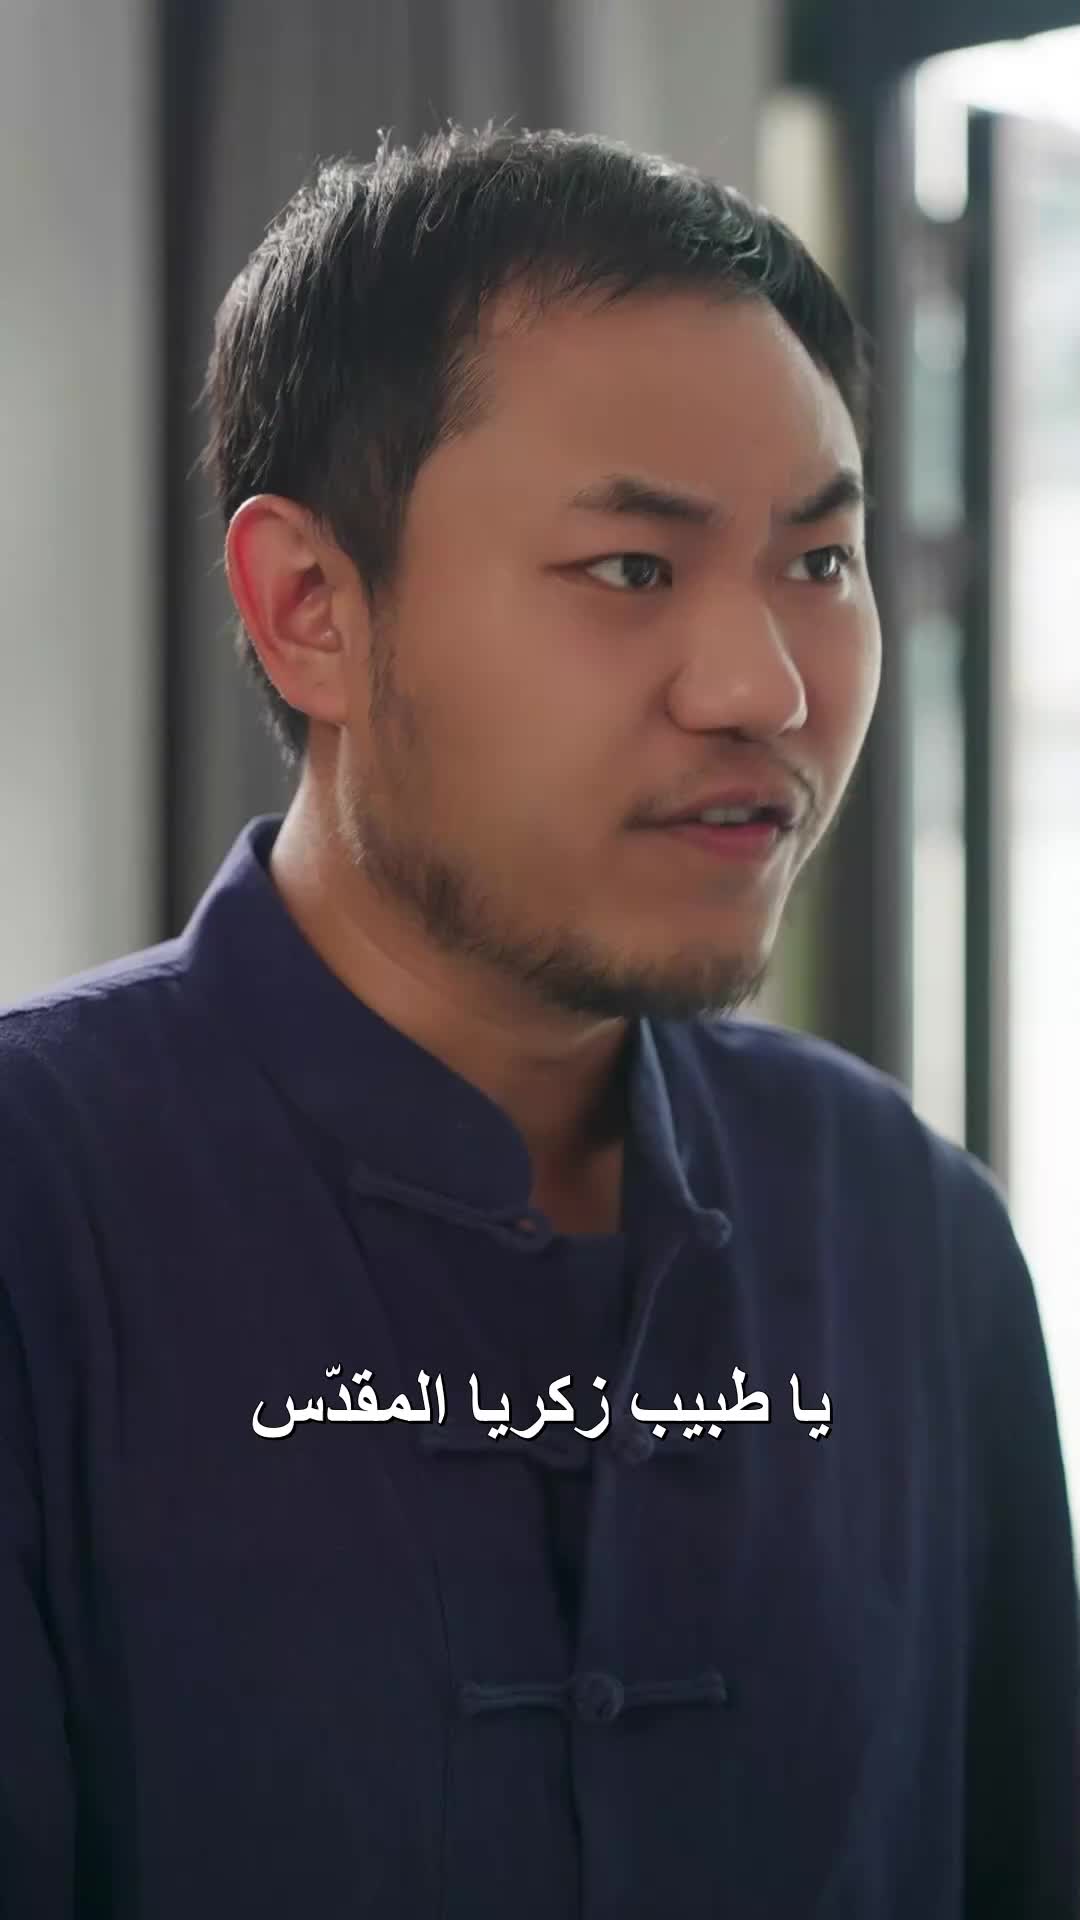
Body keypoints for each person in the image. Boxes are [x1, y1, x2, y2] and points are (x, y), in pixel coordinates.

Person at [1, 123, 1076, 1920]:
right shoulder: (44, 1217)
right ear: (311, 609)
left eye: (821, 563)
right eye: (633, 569)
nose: (764, 689)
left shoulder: (909, 1236)